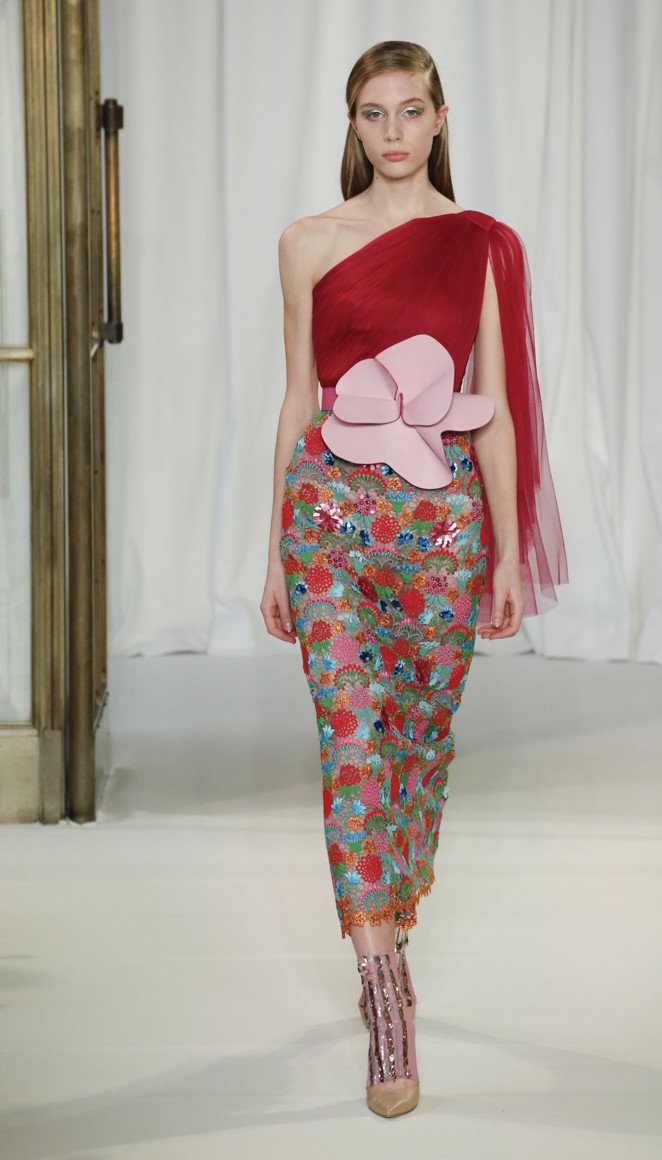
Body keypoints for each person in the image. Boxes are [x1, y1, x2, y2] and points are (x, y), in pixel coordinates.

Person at [260, 39, 567, 1118]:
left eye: (409, 111)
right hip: (328, 524)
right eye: (372, 114)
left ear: (439, 120)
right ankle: (383, 987)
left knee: (414, 747)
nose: (391, 132)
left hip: (437, 532)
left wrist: (505, 553)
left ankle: (390, 920)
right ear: (351, 126)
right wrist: (273, 551)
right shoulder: (306, 241)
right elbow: (298, 399)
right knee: (351, 741)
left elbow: (496, 411)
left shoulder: (479, 244)